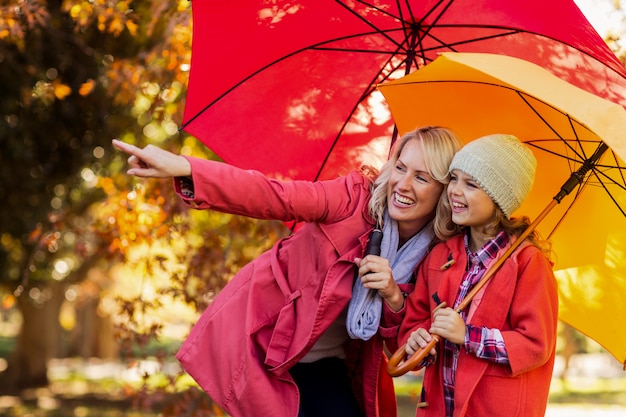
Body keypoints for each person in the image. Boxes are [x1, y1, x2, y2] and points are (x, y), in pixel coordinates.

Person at [112, 126, 462, 417]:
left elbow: (398, 343)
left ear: (443, 190)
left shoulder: (437, 253)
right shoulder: (353, 198)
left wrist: (391, 293)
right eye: (401, 167)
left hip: (329, 360)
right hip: (268, 342)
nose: (403, 184)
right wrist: (187, 169)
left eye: (422, 178)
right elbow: (276, 196)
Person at [398, 134, 558, 417]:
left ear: (500, 200)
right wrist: (415, 338)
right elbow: (416, 319)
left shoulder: (527, 263)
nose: (455, 191)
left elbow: (535, 345)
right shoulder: (440, 256)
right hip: (439, 407)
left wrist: (468, 336)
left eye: (471, 184)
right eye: (454, 178)